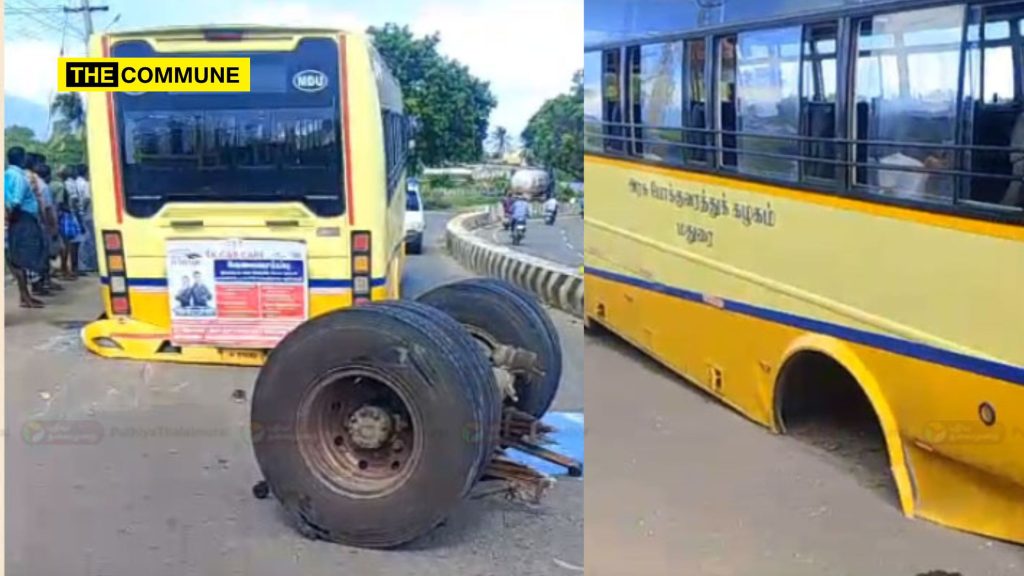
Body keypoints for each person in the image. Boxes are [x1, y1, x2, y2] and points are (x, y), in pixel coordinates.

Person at [5, 147, 47, 308]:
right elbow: (16, 201)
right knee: (24, 257)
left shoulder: (7, 175)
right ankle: (26, 295)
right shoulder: (19, 177)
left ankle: (26, 294)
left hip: (17, 218)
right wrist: (12, 217)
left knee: (17, 258)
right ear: (22, 159)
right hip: (22, 218)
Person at [72, 164, 98, 274]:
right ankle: (87, 265)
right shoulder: (85, 184)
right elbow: (87, 198)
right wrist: (83, 208)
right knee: (89, 241)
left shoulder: (75, 182)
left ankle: (83, 264)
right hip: (87, 214)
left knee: (83, 240)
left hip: (80, 213)